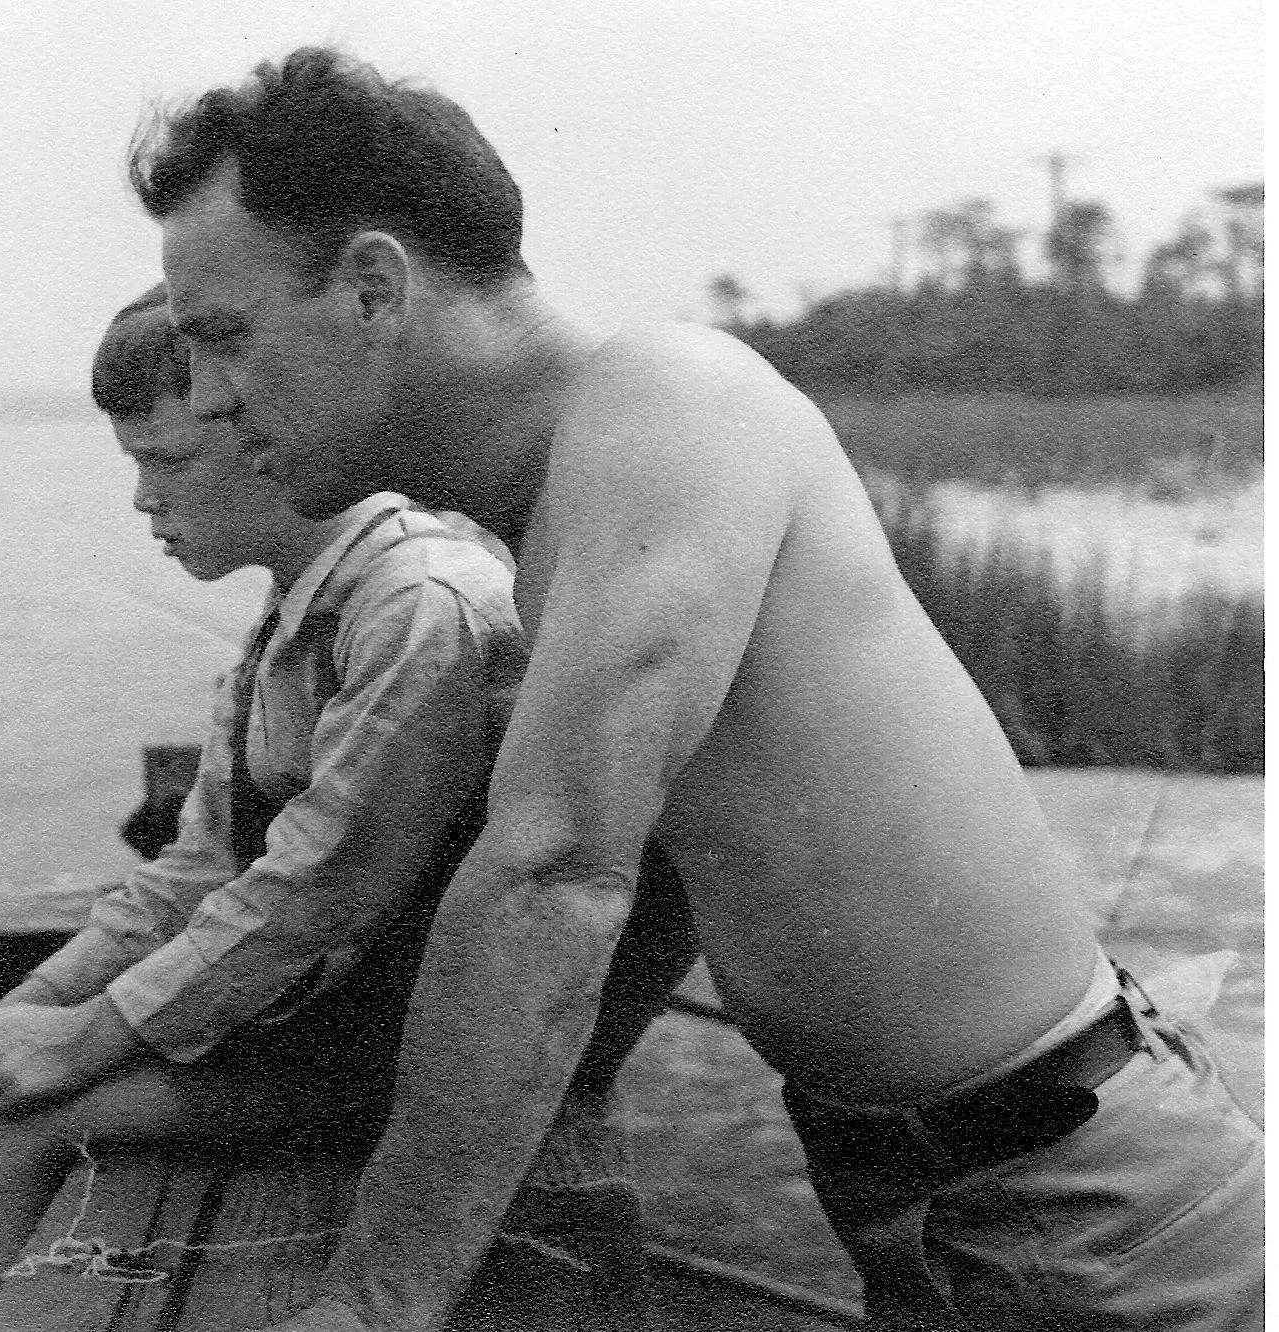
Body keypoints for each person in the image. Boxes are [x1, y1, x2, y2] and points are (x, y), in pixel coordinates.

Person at [125, 47, 1265, 1332]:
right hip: (949, 1209)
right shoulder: (553, 511)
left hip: (1090, 1213)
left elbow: (555, 873)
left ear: (375, 288)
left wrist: (375, 1303)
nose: (209, 397)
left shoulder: (668, 401)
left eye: (223, 338)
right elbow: (655, 883)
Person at [0, 288, 692, 1330]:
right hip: (331, 1024)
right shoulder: (302, 606)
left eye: (166, 462)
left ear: (263, 436)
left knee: (5, 1127)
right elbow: (195, 868)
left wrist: (86, 1039)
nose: (142, 499)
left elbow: (317, 893)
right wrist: (28, 1011)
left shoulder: (420, 607)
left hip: (420, 1057)